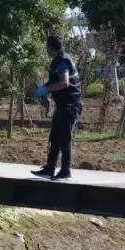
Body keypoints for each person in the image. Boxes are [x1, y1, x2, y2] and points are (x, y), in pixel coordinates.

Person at [32, 35, 83, 181]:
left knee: (64, 138)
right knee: (54, 137)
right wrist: (44, 87)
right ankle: (50, 168)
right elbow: (55, 81)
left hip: (71, 104)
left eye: (46, 47)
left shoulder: (63, 62)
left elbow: (65, 82)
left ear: (50, 48)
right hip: (62, 104)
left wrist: (46, 89)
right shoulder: (57, 61)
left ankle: (66, 171)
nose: (46, 49)